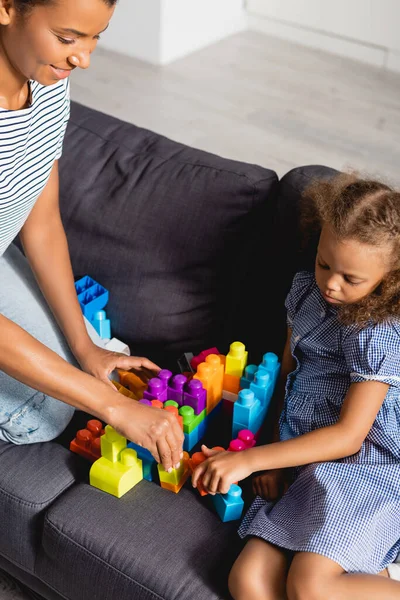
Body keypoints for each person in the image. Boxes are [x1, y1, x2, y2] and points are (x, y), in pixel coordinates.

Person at [191, 172, 400, 599]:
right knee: (247, 581)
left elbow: (349, 437)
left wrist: (250, 460)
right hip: (304, 460)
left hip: (366, 470)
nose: (331, 283)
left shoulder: (377, 331)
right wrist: (272, 455)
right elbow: (289, 378)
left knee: (310, 586)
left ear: (390, 279)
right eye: (325, 263)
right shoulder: (306, 292)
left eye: (351, 278)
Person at [0, 0, 184, 472]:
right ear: (5, 8)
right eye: (67, 38)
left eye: (95, 37)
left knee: (92, 372)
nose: (83, 59)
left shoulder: (47, 85)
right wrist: (117, 410)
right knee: (36, 416)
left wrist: (85, 347)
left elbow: (40, 223)